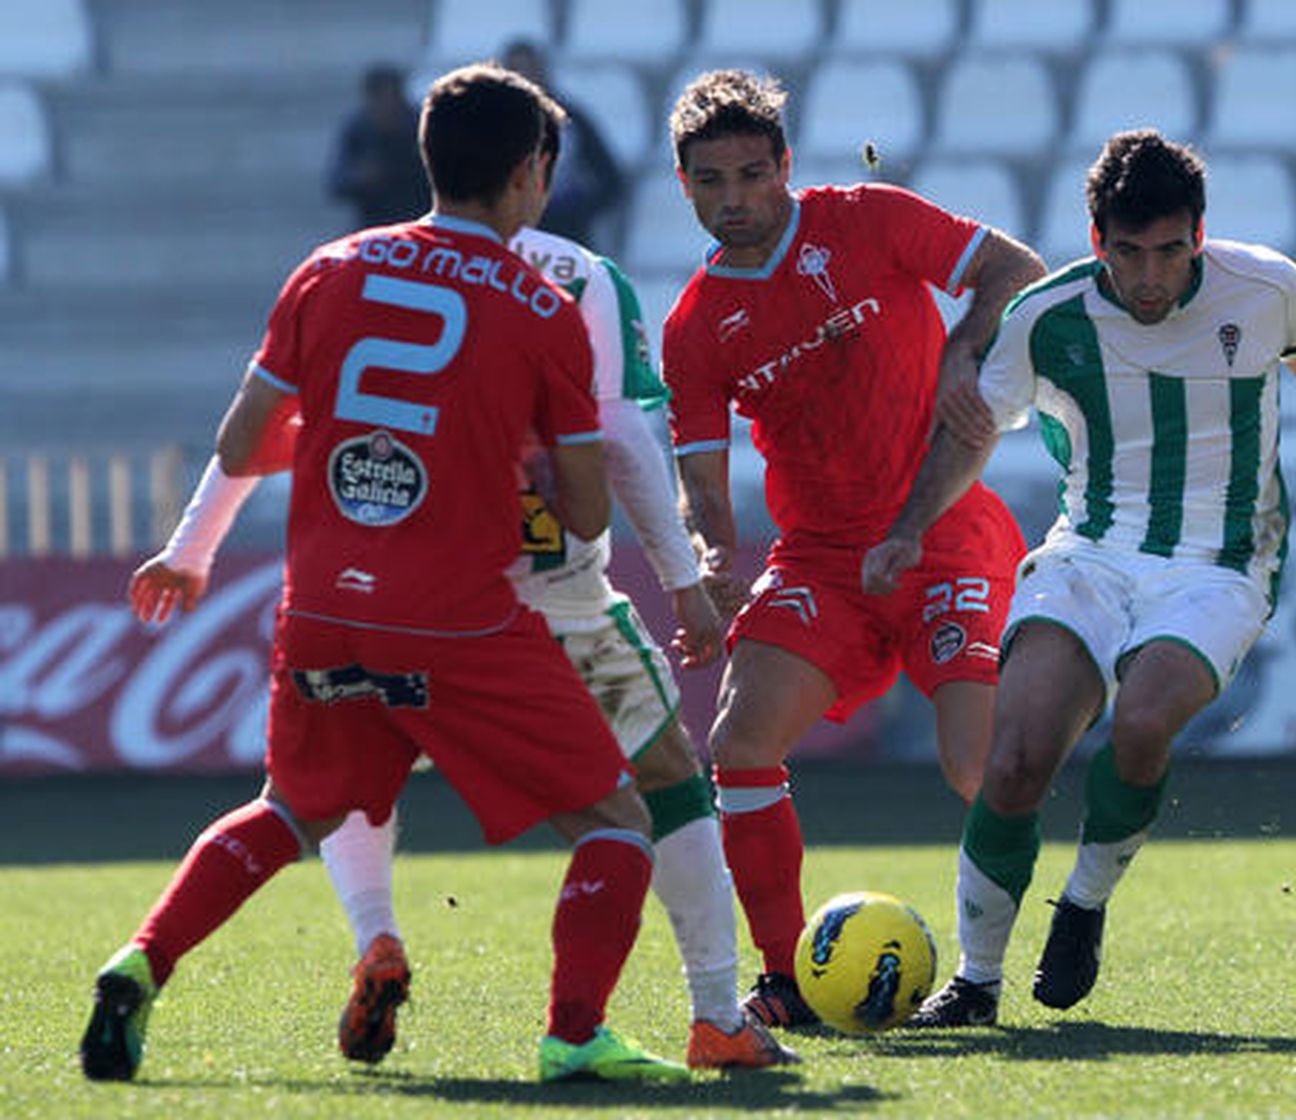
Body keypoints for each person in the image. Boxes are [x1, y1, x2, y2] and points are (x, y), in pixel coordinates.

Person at [123, 83, 798, 1074]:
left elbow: (250, 436)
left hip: (367, 595)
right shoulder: (574, 280)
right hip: (540, 607)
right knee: (659, 790)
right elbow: (616, 445)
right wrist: (683, 581)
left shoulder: (344, 268)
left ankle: (371, 938)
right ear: (535, 171)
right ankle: (706, 1013)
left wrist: (191, 547)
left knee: (320, 795)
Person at [861, 129, 1296, 1026]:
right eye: (1128, 253)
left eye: (1170, 252)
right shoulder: (1049, 318)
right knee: (1011, 762)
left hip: (1218, 561)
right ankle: (976, 983)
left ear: (1199, 236)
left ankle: (1084, 902)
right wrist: (909, 529)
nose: (1150, 277)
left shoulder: (1265, 285)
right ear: (1097, 242)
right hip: (1089, 551)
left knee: (1139, 721)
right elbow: (975, 430)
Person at [660, 69, 1046, 1027]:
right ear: (685, 186)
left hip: (945, 532)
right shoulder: (696, 327)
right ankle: (786, 978)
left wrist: (965, 347)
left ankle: (986, 970)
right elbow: (703, 485)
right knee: (740, 746)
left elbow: (1016, 269)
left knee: (976, 768)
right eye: (712, 182)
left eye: (753, 175)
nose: (734, 200)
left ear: (785, 166)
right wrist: (713, 562)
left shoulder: (868, 221)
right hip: (824, 559)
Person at [500, 39, 626, 251]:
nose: (524, 78)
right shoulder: (486, 125)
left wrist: (578, 211)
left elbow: (610, 180)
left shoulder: (571, 121)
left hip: (566, 238)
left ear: (543, 72)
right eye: (515, 72)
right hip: (509, 238)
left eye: (529, 70)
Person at [325, 62, 431, 230]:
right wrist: (361, 179)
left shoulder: (422, 126)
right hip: (374, 225)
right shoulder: (358, 129)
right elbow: (337, 183)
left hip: (418, 221)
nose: (388, 107)